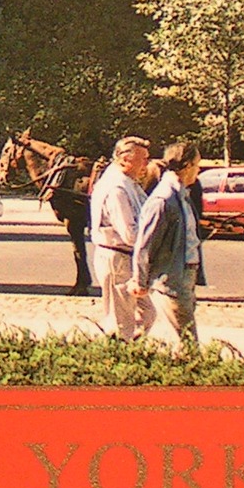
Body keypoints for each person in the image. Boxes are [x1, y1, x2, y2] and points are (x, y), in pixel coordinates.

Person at [130, 142, 205, 350]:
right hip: (171, 281)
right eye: (197, 165)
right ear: (187, 166)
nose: (198, 171)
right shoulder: (164, 199)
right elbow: (145, 245)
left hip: (183, 277)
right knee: (188, 345)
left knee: (185, 342)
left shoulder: (181, 193)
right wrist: (140, 280)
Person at [89, 135, 152, 340]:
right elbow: (130, 234)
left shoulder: (129, 183)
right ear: (125, 160)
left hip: (129, 260)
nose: (146, 164)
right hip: (117, 259)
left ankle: (131, 352)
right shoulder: (116, 189)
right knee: (121, 323)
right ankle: (118, 358)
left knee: (148, 313)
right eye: (143, 159)